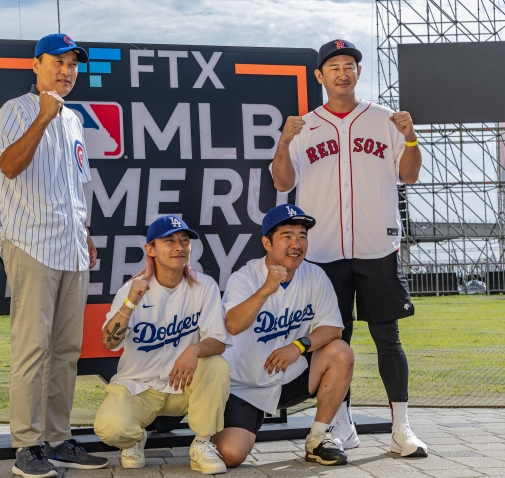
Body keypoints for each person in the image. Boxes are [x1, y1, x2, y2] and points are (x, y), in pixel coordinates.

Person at [270, 39, 427, 457]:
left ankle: (402, 428)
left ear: (358, 72)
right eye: (334, 66)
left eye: (350, 65)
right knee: (331, 343)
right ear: (320, 76)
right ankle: (341, 426)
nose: (343, 72)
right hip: (323, 252)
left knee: (387, 338)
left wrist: (411, 138)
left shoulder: (384, 120)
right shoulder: (305, 125)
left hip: (377, 246)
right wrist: (284, 142)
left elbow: (408, 176)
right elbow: (283, 183)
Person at [0, 33, 109, 477]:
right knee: (31, 349)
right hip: (31, 242)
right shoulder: (17, 110)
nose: (66, 70)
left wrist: (85, 230)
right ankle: (26, 446)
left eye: (72, 64)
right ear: (35, 65)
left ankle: (58, 440)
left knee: (66, 350)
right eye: (56, 62)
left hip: (71, 244)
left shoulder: (75, 119)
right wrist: (41, 118)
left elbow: (75, 186)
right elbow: (8, 166)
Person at [213, 204, 354, 467]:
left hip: (290, 374)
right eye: (287, 236)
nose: (296, 244)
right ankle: (215, 424)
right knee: (230, 454)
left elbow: (333, 328)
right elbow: (232, 324)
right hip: (245, 387)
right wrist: (266, 289)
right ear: (267, 242)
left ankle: (318, 438)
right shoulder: (245, 278)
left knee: (341, 352)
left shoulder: (314, 274)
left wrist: (298, 346)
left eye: (302, 236)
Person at [94, 215, 233, 475]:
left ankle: (202, 444)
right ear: (151, 249)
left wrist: (194, 350)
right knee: (110, 428)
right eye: (169, 241)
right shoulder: (130, 290)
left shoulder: (205, 286)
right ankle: (135, 438)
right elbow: (109, 342)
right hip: (139, 386)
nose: (180, 246)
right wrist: (130, 304)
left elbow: (218, 340)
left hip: (183, 385)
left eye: (184, 241)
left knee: (216, 365)